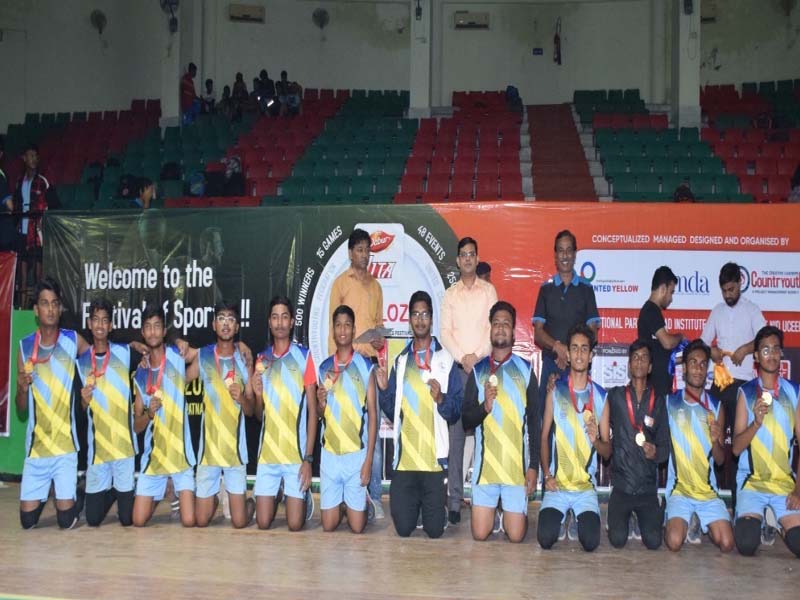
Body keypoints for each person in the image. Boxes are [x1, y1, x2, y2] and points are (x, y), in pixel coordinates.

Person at [376, 290, 463, 538]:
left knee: (435, 532)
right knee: (404, 529)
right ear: (409, 319)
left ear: (431, 319)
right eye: (415, 314)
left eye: (424, 314)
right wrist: (384, 389)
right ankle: (418, 507)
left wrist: (441, 399)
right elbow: (392, 411)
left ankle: (433, 508)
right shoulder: (401, 361)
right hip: (406, 462)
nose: (420, 319)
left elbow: (455, 410)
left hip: (433, 463)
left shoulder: (446, 359)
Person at [16, 278, 91, 529]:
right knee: (27, 523)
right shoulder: (25, 347)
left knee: (66, 522)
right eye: (44, 303)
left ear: (60, 309)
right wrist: (21, 388)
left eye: (54, 303)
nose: (50, 309)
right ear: (36, 310)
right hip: (37, 449)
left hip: (65, 448)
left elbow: (99, 356)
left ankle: (77, 493)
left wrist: (132, 347)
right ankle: (48, 493)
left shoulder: (72, 340)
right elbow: (21, 409)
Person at [461, 301, 539, 542]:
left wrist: (533, 467)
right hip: (486, 471)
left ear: (513, 332)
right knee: (479, 534)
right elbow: (466, 420)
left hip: (515, 471)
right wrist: (484, 407)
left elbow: (535, 423)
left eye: (506, 323)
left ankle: (511, 514)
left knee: (516, 536)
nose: (501, 328)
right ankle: (494, 514)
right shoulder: (478, 371)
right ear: (490, 330)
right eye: (496, 323)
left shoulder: (526, 370)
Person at [439, 236, 498, 524]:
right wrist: (464, 357)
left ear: (477, 258)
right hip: (459, 371)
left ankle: (487, 499)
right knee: (457, 439)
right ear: (458, 260)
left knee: (489, 433)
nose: (467, 259)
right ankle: (453, 502)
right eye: (463, 254)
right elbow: (445, 332)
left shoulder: (489, 291)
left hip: (484, 369)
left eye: (471, 254)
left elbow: (493, 329)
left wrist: (477, 356)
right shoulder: (450, 294)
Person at [328, 228, 386, 518]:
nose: (364, 255)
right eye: (359, 250)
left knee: (372, 430)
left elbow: (380, 326)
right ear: (350, 253)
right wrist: (333, 369)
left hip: (369, 365)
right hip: (344, 366)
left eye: (367, 250)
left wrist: (379, 341)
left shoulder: (376, 286)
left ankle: (373, 497)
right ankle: (342, 497)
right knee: (345, 430)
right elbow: (334, 330)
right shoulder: (340, 283)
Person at [538, 323, 608, 551]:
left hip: (584, 489)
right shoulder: (555, 391)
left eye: (584, 349)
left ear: (591, 356)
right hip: (557, 487)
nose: (579, 354)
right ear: (567, 354)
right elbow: (544, 436)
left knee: (590, 543)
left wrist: (596, 440)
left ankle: (578, 518)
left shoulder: (601, 396)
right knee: (545, 539)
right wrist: (547, 475)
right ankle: (561, 518)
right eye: (574, 348)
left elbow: (608, 451)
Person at [701, 262, 766, 507]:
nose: (728, 295)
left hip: (744, 386)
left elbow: (765, 338)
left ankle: (742, 503)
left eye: (731, 289)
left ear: (740, 283)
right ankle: (710, 496)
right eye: (724, 291)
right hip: (719, 384)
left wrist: (746, 349)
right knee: (711, 436)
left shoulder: (752, 310)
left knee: (742, 443)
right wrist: (712, 351)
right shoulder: (717, 311)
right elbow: (702, 343)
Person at [732, 326, 800, 558]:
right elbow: (736, 448)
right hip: (753, 483)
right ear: (756, 356)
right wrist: (756, 423)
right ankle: (760, 519)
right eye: (765, 350)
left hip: (783, 484)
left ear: (781, 353)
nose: (771, 355)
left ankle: (775, 521)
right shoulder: (746, 392)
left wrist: (798, 491)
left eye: (775, 349)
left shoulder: (794, 392)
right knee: (746, 544)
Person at [250, 296, 317, 531]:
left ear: (292, 322)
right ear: (269, 322)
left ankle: (300, 497)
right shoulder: (262, 360)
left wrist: (308, 460)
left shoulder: (304, 357)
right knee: (262, 523)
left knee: (295, 525)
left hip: (294, 456)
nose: (280, 323)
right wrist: (258, 395)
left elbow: (313, 411)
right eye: (275, 317)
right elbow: (259, 415)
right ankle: (278, 493)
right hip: (268, 455)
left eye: (284, 317)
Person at [131, 304, 199, 528]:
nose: (153, 332)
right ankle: (163, 492)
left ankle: (195, 497)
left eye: (157, 326)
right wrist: (149, 414)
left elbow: (208, 355)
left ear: (164, 331)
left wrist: (240, 346)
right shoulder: (141, 373)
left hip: (180, 457)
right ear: (143, 332)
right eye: (148, 327)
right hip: (155, 459)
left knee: (189, 521)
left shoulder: (177, 356)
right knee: (138, 521)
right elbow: (137, 426)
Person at [663, 339, 734, 553]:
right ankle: (684, 520)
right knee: (674, 542)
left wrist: (715, 440)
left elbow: (720, 460)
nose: (698, 368)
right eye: (693, 363)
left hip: (707, 492)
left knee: (727, 544)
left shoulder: (716, 407)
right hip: (679, 490)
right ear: (684, 368)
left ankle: (701, 522)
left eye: (703, 364)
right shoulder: (669, 403)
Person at [77, 298, 139, 527]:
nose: (100, 325)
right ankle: (105, 492)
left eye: (105, 320)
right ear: (89, 324)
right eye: (96, 320)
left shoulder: (125, 353)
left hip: (124, 449)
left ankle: (120, 493)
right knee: (93, 520)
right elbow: (79, 410)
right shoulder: (81, 362)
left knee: (127, 519)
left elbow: (152, 358)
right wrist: (83, 402)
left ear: (111, 325)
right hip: (98, 452)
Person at [601, 340, 670, 549]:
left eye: (644, 358)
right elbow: (589, 394)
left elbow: (665, 448)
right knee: (617, 540)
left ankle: (647, 514)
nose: (639, 362)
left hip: (647, 489)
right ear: (629, 365)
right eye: (635, 358)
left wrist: (655, 452)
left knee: (653, 542)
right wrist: (555, 380)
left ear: (650, 367)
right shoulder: (615, 396)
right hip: (622, 487)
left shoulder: (659, 401)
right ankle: (623, 517)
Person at [316, 305, 378, 533]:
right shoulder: (324, 368)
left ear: (354, 330)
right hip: (330, 456)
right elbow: (320, 414)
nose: (342, 330)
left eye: (347, 325)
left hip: (356, 456)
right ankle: (343, 506)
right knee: (328, 526)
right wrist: (321, 404)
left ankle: (363, 504)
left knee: (357, 528)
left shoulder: (365, 367)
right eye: (338, 325)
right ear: (333, 330)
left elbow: (373, 416)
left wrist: (368, 461)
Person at [194, 301, 255, 529]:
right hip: (208, 453)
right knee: (201, 521)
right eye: (221, 318)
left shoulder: (245, 360)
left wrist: (243, 399)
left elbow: (251, 410)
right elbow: (179, 376)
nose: (226, 323)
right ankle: (216, 498)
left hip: (234, 454)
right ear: (214, 325)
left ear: (237, 327)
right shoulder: (203, 356)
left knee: (239, 522)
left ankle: (252, 502)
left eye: (231, 319)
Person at [532, 230, 600, 406]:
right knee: (546, 417)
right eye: (561, 250)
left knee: (580, 416)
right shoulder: (546, 289)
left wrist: (570, 353)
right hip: (551, 365)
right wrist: (557, 347)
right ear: (555, 256)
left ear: (575, 254)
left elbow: (593, 332)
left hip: (578, 365)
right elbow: (538, 333)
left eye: (569, 250)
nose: (565, 255)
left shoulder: (586, 288)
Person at [13, 144, 56, 295]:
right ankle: (22, 302)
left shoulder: (43, 181)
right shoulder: (19, 182)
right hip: (22, 230)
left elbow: (54, 205)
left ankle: (38, 299)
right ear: (24, 158)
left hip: (37, 231)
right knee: (23, 268)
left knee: (38, 268)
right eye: (30, 156)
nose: (33, 159)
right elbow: (16, 205)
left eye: (35, 156)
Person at [638, 266, 685, 398]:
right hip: (655, 390)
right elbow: (667, 343)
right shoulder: (651, 310)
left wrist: (686, 357)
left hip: (659, 387)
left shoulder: (652, 311)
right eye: (671, 292)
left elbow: (662, 356)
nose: (671, 298)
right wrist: (680, 336)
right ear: (663, 289)